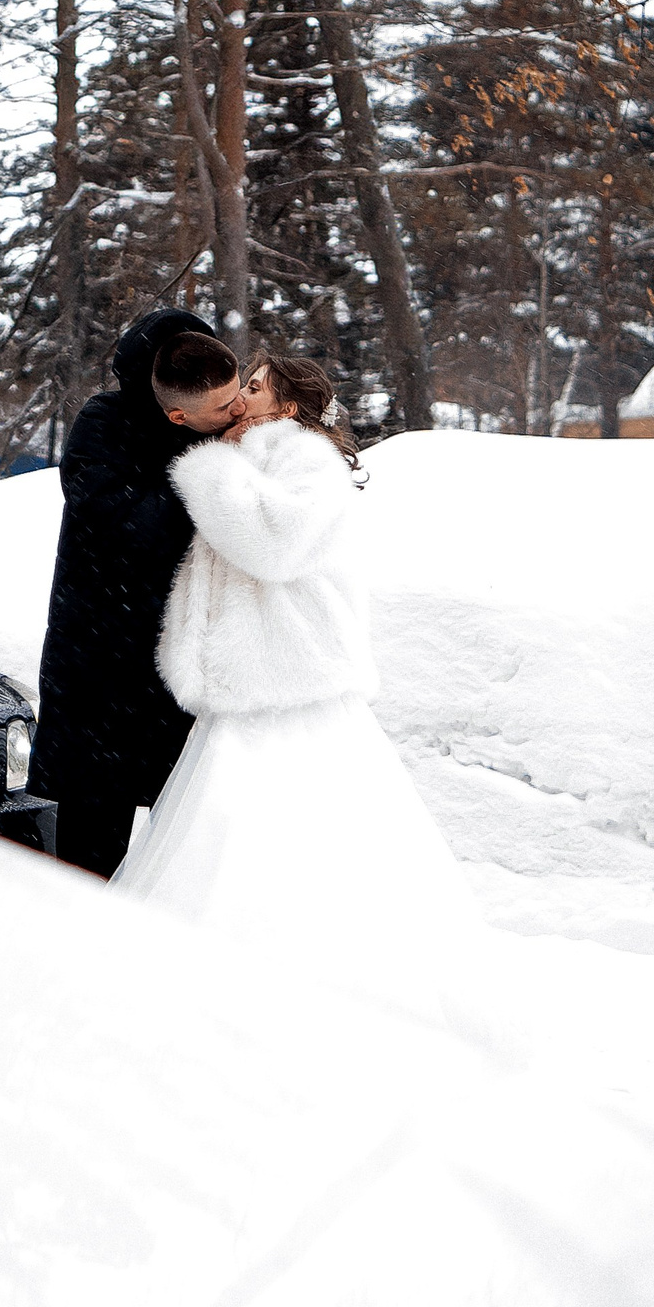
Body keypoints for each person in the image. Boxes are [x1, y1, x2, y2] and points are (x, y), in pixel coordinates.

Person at [111, 355, 477, 967]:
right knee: (232, 830)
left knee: (287, 832)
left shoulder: (307, 461)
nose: (239, 397)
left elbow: (273, 546)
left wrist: (211, 468)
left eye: (254, 388)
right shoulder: (258, 458)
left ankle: (294, 961)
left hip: (289, 682)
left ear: (283, 408)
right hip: (255, 681)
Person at [29, 311, 246, 876]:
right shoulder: (103, 425)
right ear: (178, 414)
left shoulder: (216, 409)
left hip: (183, 661)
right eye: (223, 408)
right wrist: (212, 468)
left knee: (189, 838)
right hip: (100, 662)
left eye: (238, 395)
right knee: (89, 846)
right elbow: (131, 527)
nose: (238, 411)